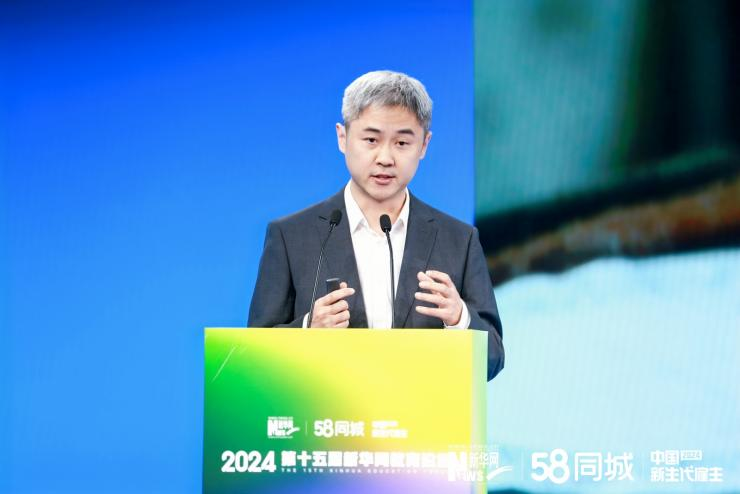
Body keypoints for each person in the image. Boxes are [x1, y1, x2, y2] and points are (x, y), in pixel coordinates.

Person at [248, 70, 504, 380]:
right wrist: (307, 329)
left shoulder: (459, 240)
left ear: (424, 145)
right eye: (371, 140)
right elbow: (252, 361)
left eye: (402, 142)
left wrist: (460, 319)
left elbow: (493, 359)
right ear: (343, 138)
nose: (385, 158)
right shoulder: (291, 237)